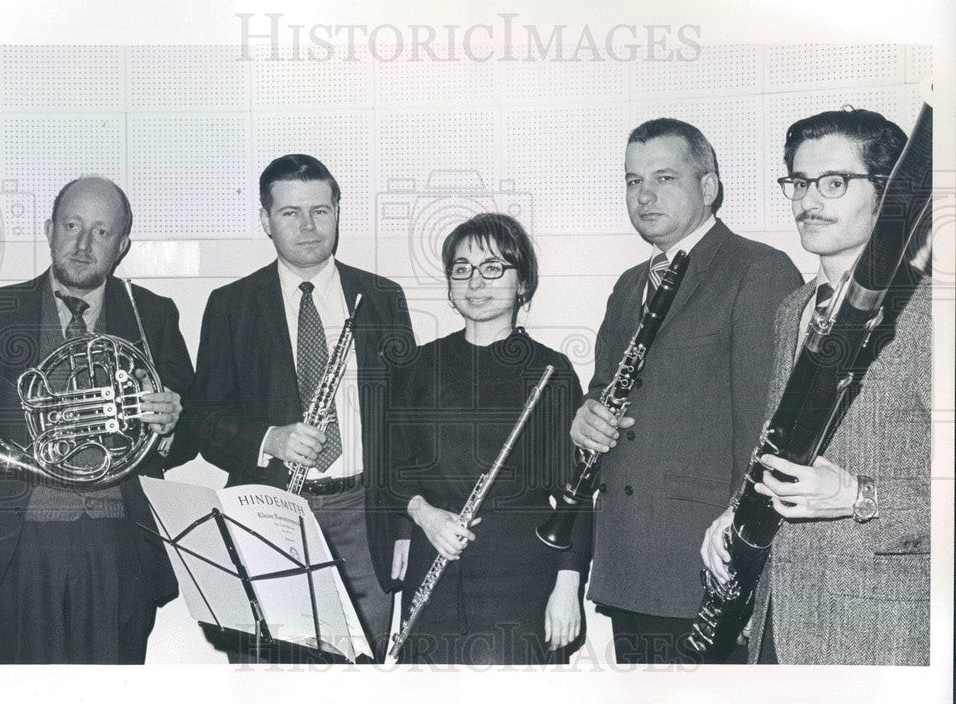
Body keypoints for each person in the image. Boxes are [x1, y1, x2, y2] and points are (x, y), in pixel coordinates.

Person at [701, 108, 930, 664]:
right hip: (778, 618)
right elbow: (780, 445)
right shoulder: (792, 310)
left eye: (834, 182)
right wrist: (735, 510)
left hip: (880, 631)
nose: (808, 200)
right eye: (800, 182)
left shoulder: (934, 316)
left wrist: (857, 497)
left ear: (888, 193)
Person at [572, 118, 802, 664]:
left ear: (709, 187)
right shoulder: (630, 284)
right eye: (632, 181)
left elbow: (766, 431)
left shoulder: (759, 270)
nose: (644, 195)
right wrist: (585, 417)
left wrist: (745, 563)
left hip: (705, 563)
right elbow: (605, 391)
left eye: (664, 177)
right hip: (628, 560)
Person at [189, 154, 414, 662]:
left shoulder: (383, 298)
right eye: (290, 213)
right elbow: (204, 422)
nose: (309, 226)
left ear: (339, 212)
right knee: (268, 676)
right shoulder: (230, 304)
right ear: (266, 220)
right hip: (269, 512)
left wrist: (404, 523)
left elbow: (407, 423)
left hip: (364, 515)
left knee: (357, 680)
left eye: (321, 210)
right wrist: (269, 438)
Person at [0, 176, 194, 664]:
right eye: (72, 225)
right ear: (50, 229)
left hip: (118, 547)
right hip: (16, 549)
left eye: (100, 232)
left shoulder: (153, 316)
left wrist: (167, 428)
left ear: (122, 245)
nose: (82, 244)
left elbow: (189, 438)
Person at [387, 213, 586, 664]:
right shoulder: (419, 366)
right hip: (432, 566)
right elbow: (392, 469)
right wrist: (424, 517)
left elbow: (579, 489)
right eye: (462, 269)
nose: (476, 281)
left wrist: (568, 583)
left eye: (493, 267)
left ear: (522, 283)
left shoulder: (550, 371)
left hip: (518, 577)